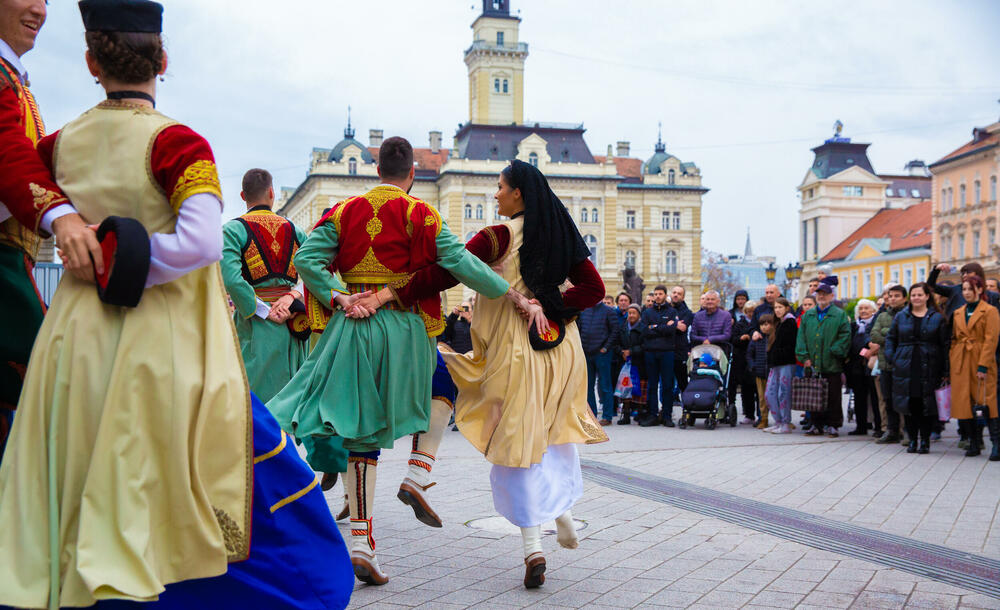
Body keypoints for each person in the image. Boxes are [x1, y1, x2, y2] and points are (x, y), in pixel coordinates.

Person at [0, 3, 356, 607]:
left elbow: (19, 190)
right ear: (163, 59)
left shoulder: (59, 143)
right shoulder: (178, 142)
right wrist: (126, 263)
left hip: (74, 329)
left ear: (90, 63)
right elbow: (199, 243)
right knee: (192, 457)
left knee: (73, 459)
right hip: (157, 331)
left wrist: (85, 244)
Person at [266, 137, 518, 586]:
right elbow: (459, 260)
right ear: (412, 175)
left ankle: (362, 544)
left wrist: (340, 296)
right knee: (445, 382)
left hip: (351, 327)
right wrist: (510, 293)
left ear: (376, 169)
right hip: (406, 329)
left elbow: (305, 260)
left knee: (359, 432)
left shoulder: (344, 211)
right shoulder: (420, 212)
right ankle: (418, 473)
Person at [376, 159, 608, 588]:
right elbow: (594, 289)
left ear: (518, 193)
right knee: (550, 435)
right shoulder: (562, 231)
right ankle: (565, 517)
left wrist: (392, 292)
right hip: (561, 350)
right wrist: (548, 304)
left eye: (500, 187)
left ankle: (532, 547)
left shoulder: (498, 236)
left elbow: (446, 271)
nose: (495, 194)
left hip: (515, 350)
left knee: (513, 440)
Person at [0, 0, 108, 463]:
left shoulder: (13, 76)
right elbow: (9, 153)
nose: (39, 9)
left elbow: (26, 154)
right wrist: (61, 217)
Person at [885, 283, 949, 455]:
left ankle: (925, 441)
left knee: (925, 406)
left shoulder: (937, 317)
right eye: (913, 295)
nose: (916, 298)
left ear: (927, 296)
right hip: (905, 365)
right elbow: (891, 338)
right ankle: (912, 439)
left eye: (920, 295)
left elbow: (944, 345)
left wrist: (945, 370)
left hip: (929, 366)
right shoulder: (901, 316)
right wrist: (892, 357)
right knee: (909, 404)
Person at [948, 276, 1000, 460]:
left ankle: (996, 443)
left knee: (987, 401)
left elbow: (991, 340)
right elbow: (954, 338)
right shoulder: (958, 312)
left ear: (980, 290)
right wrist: (954, 358)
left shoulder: (990, 311)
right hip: (961, 359)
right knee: (966, 402)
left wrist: (983, 365)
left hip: (980, 358)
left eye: (971, 289)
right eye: (964, 289)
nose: (967, 293)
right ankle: (974, 441)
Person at [796, 283, 851, 437]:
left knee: (833, 395)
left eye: (825, 294)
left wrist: (835, 351)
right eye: (819, 294)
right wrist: (804, 356)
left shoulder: (839, 315)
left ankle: (833, 425)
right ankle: (816, 424)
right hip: (812, 362)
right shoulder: (808, 315)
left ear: (831, 296)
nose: (821, 296)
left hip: (831, 362)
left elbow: (845, 336)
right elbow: (801, 338)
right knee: (814, 395)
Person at [871, 285, 908, 443]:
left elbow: (906, 335)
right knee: (888, 399)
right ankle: (892, 431)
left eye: (897, 296)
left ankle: (907, 431)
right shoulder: (882, 316)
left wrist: (887, 333)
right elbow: (874, 334)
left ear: (904, 298)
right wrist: (891, 334)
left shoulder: (909, 314)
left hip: (904, 365)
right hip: (885, 364)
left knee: (905, 399)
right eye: (890, 296)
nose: (892, 299)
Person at [640, 284, 679, 427]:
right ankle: (653, 414)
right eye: (655, 294)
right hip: (650, 352)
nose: (657, 296)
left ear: (665, 295)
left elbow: (671, 330)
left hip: (667, 351)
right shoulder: (647, 313)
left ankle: (667, 415)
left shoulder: (672, 311)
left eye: (660, 294)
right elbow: (644, 331)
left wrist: (655, 327)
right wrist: (662, 326)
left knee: (667, 385)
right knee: (652, 385)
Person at [579, 298, 619, 424]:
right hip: (587, 352)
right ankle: (592, 416)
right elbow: (579, 329)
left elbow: (615, 331)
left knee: (605, 386)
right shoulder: (584, 310)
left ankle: (607, 416)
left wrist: (605, 347)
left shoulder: (609, 311)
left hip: (602, 354)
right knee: (588, 386)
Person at [846, 298, 880, 436]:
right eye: (861, 309)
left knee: (875, 397)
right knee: (859, 398)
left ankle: (878, 427)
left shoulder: (875, 325)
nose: (863, 311)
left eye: (866, 308)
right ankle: (861, 426)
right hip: (856, 366)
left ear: (873, 310)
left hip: (871, 365)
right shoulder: (854, 326)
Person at [765, 298, 797, 433]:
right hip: (775, 364)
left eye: (780, 307)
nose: (777, 310)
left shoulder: (790, 322)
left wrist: (778, 355)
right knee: (770, 393)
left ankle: (785, 423)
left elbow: (789, 345)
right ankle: (777, 421)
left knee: (783, 393)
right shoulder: (778, 323)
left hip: (786, 363)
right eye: (775, 307)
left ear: (786, 308)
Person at [615, 303, 646, 425]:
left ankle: (640, 414)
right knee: (625, 390)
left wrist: (632, 352)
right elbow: (616, 343)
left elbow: (645, 345)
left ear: (639, 314)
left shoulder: (643, 328)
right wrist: (621, 352)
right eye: (630, 313)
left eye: (634, 313)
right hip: (624, 363)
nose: (631, 315)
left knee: (639, 390)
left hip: (639, 364)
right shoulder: (622, 328)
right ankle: (626, 415)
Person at [732, 299, 758, 424]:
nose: (751, 314)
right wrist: (742, 338)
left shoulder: (759, 323)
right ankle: (749, 414)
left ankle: (761, 415)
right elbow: (733, 339)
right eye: (748, 312)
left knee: (758, 390)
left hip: (757, 358)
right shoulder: (740, 323)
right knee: (746, 389)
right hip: (742, 358)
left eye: (753, 311)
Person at [670, 285, 694, 407]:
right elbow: (658, 326)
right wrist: (675, 324)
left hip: (680, 352)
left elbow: (683, 328)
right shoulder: (665, 309)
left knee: (682, 382)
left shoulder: (687, 313)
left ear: (683, 297)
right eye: (674, 292)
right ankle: (665, 412)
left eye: (679, 293)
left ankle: (687, 409)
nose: (675, 295)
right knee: (666, 384)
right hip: (666, 350)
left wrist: (668, 324)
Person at [747, 314, 772, 428]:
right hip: (760, 372)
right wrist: (753, 366)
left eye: (767, 324)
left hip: (772, 372)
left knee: (775, 396)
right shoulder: (756, 339)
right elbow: (749, 355)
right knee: (761, 398)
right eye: (762, 325)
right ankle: (763, 419)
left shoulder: (774, 338)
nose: (764, 327)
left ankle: (782, 420)